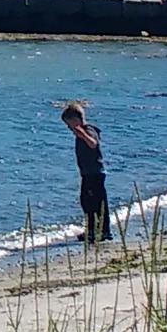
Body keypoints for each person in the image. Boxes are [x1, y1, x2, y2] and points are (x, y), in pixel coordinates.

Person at [62, 102, 111, 243]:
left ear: (76, 120)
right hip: (87, 173)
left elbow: (93, 144)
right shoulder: (83, 132)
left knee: (96, 202)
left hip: (95, 172)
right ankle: (92, 229)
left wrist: (82, 134)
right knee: (86, 201)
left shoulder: (88, 130)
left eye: (69, 124)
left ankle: (102, 231)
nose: (69, 128)